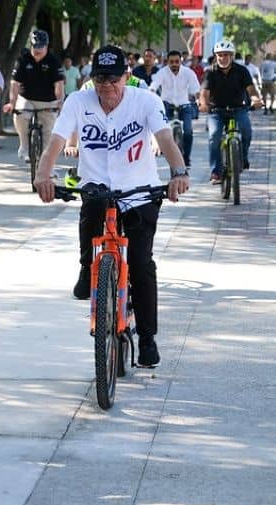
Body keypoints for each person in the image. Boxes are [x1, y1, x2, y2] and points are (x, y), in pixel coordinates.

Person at [34, 45, 191, 368]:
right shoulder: (79, 101)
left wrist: (179, 173)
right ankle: (85, 268)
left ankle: (147, 338)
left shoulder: (145, 101)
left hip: (139, 191)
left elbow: (165, 139)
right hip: (98, 189)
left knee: (140, 263)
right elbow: (57, 142)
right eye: (100, 78)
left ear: (127, 77)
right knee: (90, 218)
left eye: (114, 78)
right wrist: (43, 174)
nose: (107, 86)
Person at [198, 40, 262, 185]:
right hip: (216, 111)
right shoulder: (210, 72)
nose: (223, 58)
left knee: (246, 131)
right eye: (220, 55)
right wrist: (203, 104)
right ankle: (215, 172)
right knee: (214, 136)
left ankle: (243, 157)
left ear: (232, 56)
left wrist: (255, 99)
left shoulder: (242, 70)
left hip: (238, 109)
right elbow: (204, 93)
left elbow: (251, 89)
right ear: (216, 56)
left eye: (226, 55)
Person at [2, 29, 65, 162]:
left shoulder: (53, 61)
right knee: (20, 116)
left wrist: (60, 102)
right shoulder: (23, 59)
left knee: (48, 132)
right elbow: (15, 83)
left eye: (41, 47)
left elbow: (58, 84)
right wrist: (12, 103)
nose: (37, 50)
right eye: (35, 46)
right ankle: (24, 145)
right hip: (27, 98)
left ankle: (47, 167)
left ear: (47, 46)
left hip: (48, 100)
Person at [149, 50, 200, 167]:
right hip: (167, 105)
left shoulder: (189, 73)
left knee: (188, 131)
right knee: (162, 130)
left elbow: (195, 89)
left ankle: (186, 158)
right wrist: (151, 93)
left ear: (181, 61)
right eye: (171, 62)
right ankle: (165, 152)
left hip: (184, 105)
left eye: (177, 61)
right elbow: (154, 85)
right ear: (167, 62)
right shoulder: (162, 73)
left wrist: (198, 99)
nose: (174, 64)